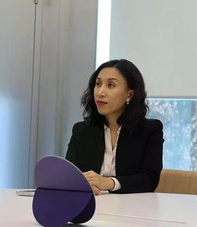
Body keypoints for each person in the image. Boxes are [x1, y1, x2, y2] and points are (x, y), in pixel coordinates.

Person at [65, 59, 163, 195]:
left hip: (133, 210)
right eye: (98, 84)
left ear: (129, 94)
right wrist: (81, 186)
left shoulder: (150, 130)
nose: (100, 92)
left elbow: (149, 180)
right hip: (91, 206)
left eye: (110, 85)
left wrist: (109, 183)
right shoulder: (81, 130)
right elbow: (70, 176)